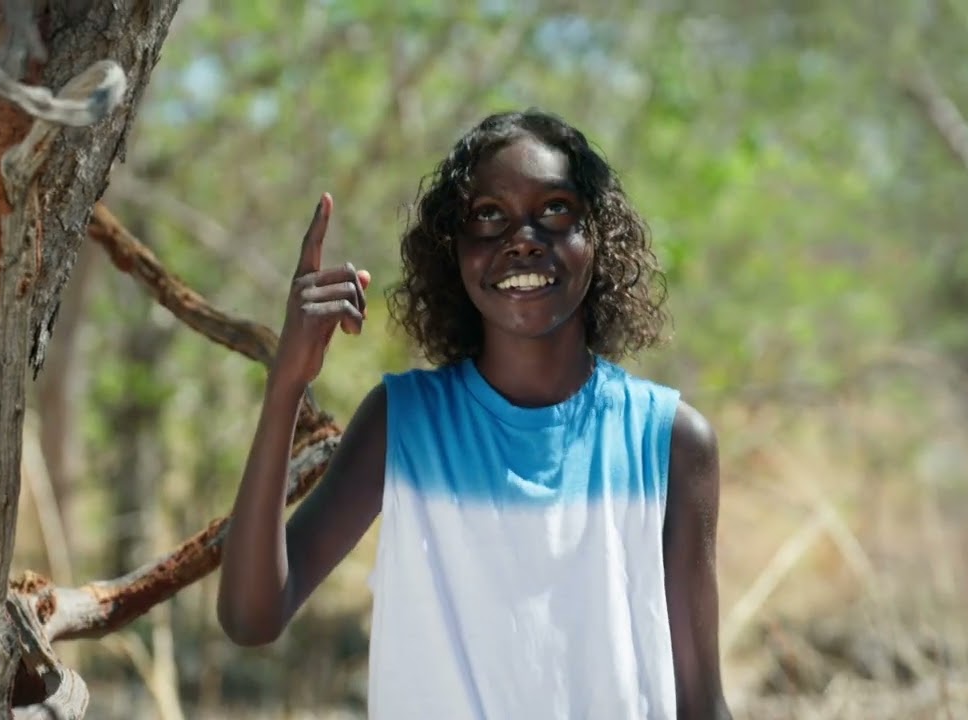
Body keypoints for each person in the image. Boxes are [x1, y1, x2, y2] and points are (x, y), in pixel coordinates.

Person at [216, 109, 730, 720]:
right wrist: (286, 386)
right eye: (489, 215)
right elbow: (253, 618)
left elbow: (702, 703)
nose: (523, 237)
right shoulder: (404, 424)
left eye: (556, 209)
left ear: (599, 237)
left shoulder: (668, 442)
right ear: (452, 251)